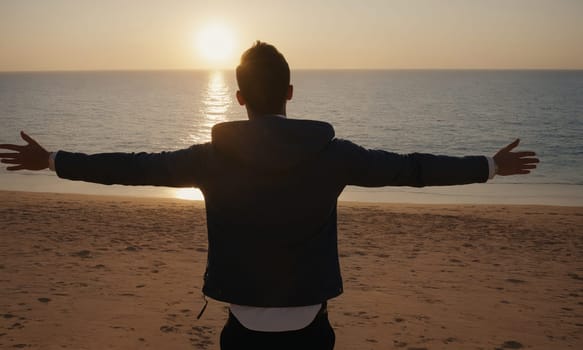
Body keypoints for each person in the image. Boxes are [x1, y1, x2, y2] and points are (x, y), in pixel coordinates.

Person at [0, 41, 539, 349]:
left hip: (242, 327)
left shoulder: (209, 158)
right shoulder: (334, 154)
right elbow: (412, 169)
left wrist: (53, 161)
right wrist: (488, 166)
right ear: (289, 94)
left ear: (238, 98)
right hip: (311, 326)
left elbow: (131, 169)